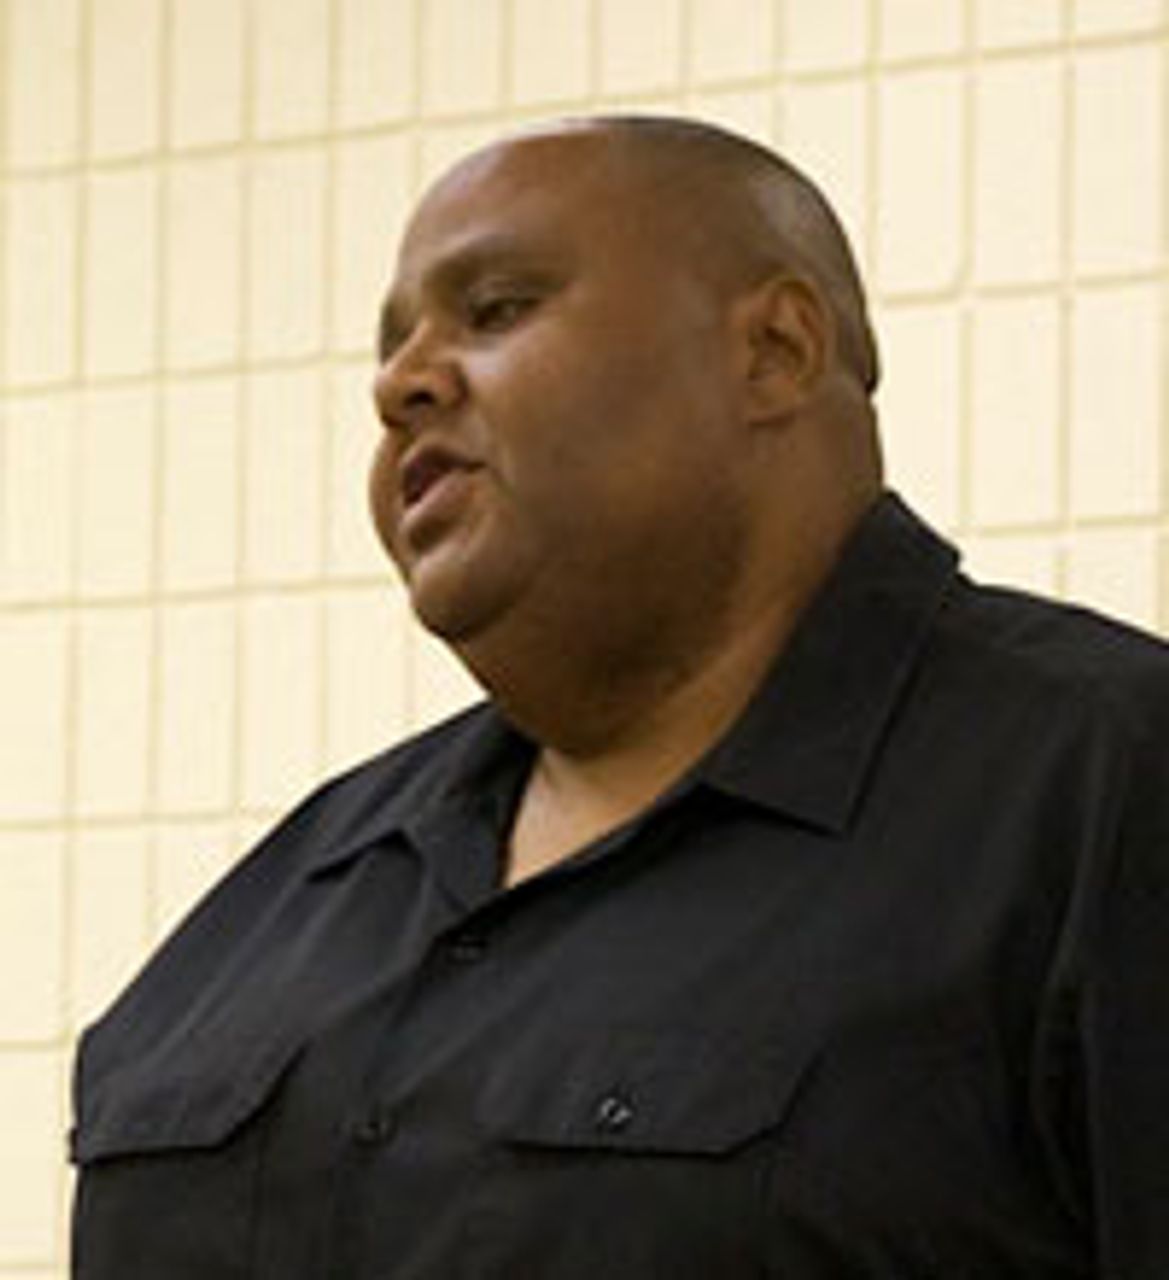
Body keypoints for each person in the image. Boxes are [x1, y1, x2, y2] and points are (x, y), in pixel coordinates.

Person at [70, 116, 1168, 1278]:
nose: (400, 385)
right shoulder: (292, 890)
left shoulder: (1101, 787)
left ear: (774, 350)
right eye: (390, 352)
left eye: (495, 309)